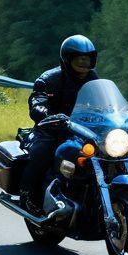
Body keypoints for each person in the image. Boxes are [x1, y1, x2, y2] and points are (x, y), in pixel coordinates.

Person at [19, 35, 99, 212]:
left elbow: (105, 102)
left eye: (88, 57)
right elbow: (37, 103)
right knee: (41, 152)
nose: (84, 61)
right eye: (79, 57)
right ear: (67, 58)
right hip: (52, 130)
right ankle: (28, 195)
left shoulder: (93, 79)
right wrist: (47, 115)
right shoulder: (49, 79)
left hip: (82, 131)